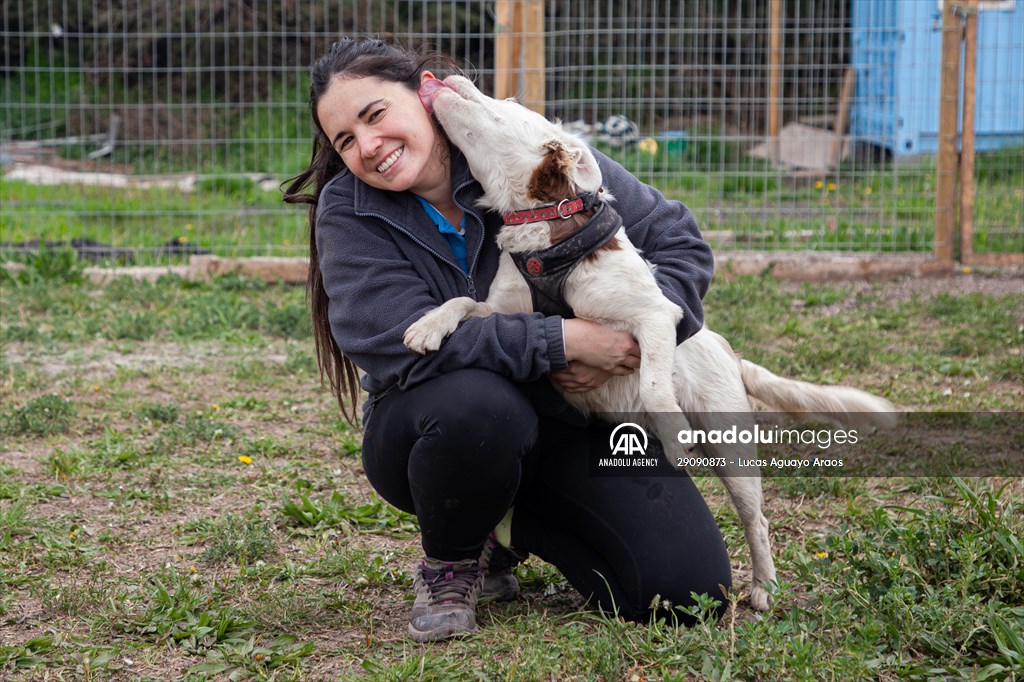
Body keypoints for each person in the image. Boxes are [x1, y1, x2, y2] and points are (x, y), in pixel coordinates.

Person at [284, 37, 732, 642]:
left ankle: (510, 527)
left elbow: (677, 240)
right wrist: (563, 340)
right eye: (345, 140)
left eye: (375, 115)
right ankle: (454, 554)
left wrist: (645, 326)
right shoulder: (350, 210)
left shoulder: (525, 148)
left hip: (573, 421)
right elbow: (393, 340)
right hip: (440, 431)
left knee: (685, 593)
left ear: (424, 93)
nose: (367, 147)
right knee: (479, 403)